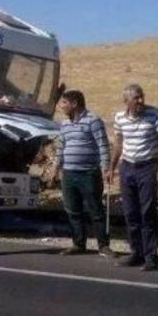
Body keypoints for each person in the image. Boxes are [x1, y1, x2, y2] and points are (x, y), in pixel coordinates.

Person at [111, 84, 158, 271]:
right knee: (130, 212)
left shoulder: (155, 114)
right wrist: (111, 168)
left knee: (147, 212)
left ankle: (152, 256)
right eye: (136, 98)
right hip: (127, 167)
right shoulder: (120, 118)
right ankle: (137, 252)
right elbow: (118, 143)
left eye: (141, 96)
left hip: (148, 167)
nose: (140, 101)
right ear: (126, 100)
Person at [56, 90, 114, 258]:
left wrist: (106, 168)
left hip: (89, 173)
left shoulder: (93, 120)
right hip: (69, 172)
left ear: (74, 103)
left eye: (64, 103)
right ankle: (78, 243)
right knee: (72, 210)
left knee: (95, 210)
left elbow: (103, 145)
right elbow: (61, 146)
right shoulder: (65, 124)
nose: (61, 106)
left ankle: (103, 245)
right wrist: (55, 167)